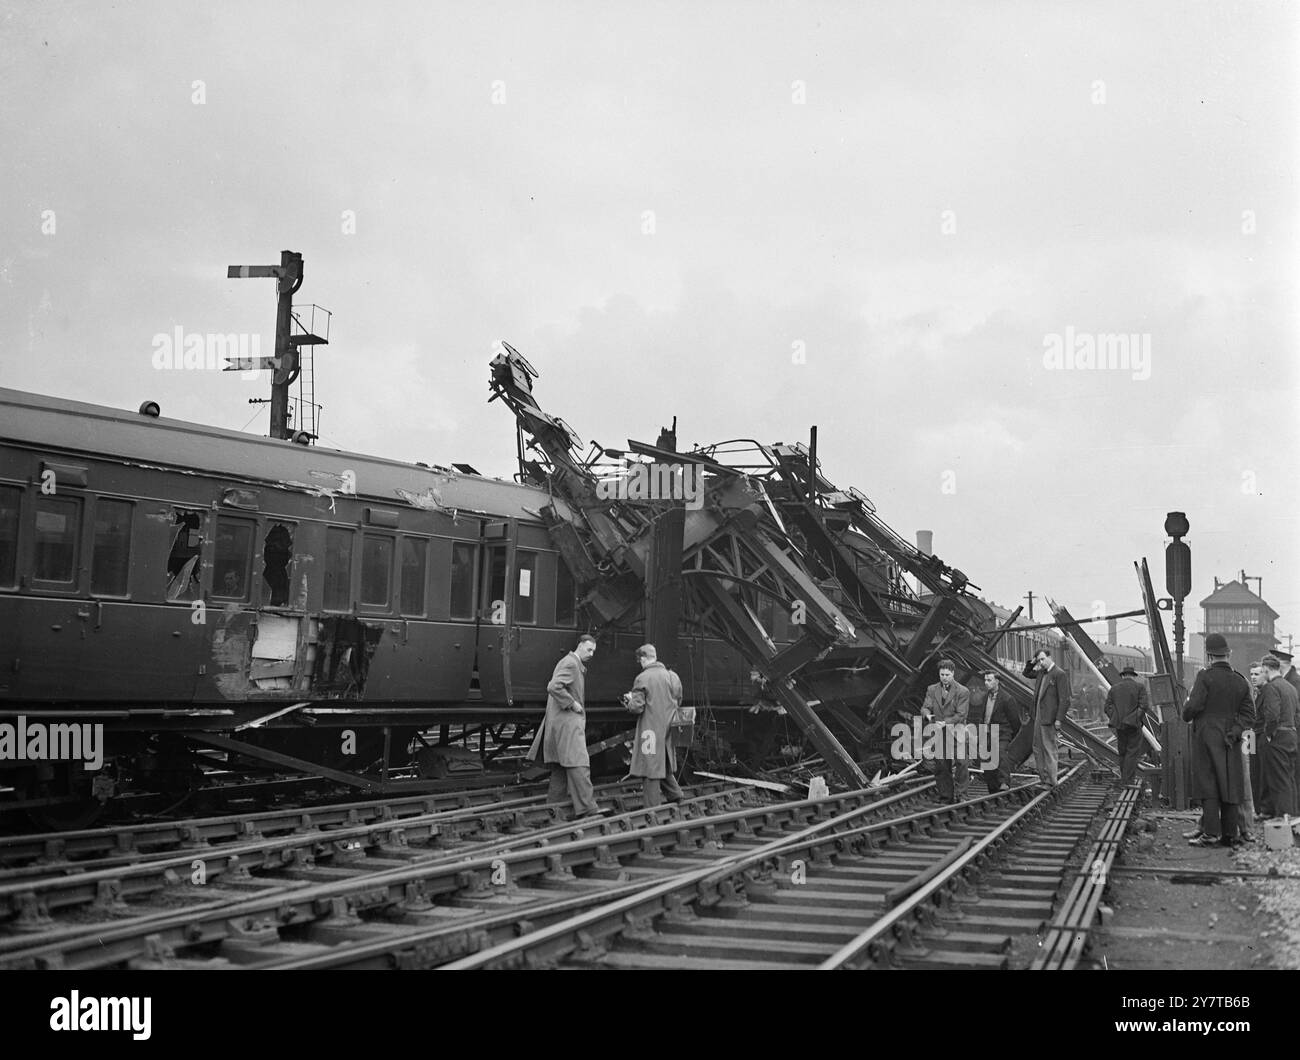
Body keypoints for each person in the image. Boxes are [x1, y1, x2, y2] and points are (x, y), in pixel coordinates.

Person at [1181, 633, 1254, 847]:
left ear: (1209, 655)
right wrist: (1235, 731)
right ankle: (1229, 835)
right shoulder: (1240, 680)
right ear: (1228, 654)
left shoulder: (1205, 677)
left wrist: (1187, 713)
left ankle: (1211, 834)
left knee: (1208, 784)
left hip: (1207, 736)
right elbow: (1249, 713)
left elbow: (1193, 707)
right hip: (1232, 738)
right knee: (1230, 784)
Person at [527, 634, 601, 819]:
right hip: (568, 724)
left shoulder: (571, 663)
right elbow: (553, 686)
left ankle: (552, 811)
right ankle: (588, 809)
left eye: (593, 651)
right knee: (579, 764)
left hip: (561, 724)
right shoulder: (571, 663)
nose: (591, 654)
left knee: (560, 770)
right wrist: (572, 703)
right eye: (589, 649)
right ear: (580, 646)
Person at [622, 644, 685, 807]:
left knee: (649, 769)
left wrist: (629, 701)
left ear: (642, 659)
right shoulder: (672, 676)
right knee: (663, 763)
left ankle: (652, 809)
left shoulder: (643, 678)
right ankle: (676, 795)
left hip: (650, 731)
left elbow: (637, 707)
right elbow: (678, 700)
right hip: (669, 729)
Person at [921, 659, 970, 803]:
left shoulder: (962, 691)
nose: (944, 677)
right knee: (942, 765)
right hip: (940, 733)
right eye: (942, 674)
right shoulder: (932, 689)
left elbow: (961, 714)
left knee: (961, 763)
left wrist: (945, 722)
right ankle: (946, 796)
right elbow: (925, 706)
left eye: (947, 674)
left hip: (957, 731)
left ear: (953, 674)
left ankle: (962, 795)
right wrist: (927, 714)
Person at [968, 670, 1019, 792]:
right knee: (986, 760)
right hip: (987, 732)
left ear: (997, 681)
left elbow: (1015, 721)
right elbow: (983, 716)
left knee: (1000, 753)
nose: (986, 683)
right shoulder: (985, 697)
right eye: (985, 680)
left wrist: (1011, 736)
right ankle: (993, 789)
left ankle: (1004, 782)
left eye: (989, 680)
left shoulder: (1007, 699)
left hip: (1002, 732)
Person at [1260, 655, 1298, 817]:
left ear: (1267, 669)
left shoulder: (1271, 687)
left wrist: (1269, 734)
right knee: (1289, 778)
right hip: (1291, 734)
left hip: (1278, 736)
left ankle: (1283, 817)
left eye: (1262, 671)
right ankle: (1293, 815)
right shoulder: (1290, 687)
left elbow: (1272, 716)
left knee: (1279, 779)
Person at [1029, 648, 1071, 787]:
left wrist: (1059, 719)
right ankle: (1044, 779)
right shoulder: (1041, 672)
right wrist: (1033, 661)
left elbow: (1064, 699)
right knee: (1037, 748)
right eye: (1039, 660)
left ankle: (1052, 780)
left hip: (1050, 718)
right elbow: (1027, 673)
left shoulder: (1059, 674)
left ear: (1050, 657)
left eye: (1043, 659)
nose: (1041, 662)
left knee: (1049, 749)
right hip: (1038, 717)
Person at [1104, 665, 1149, 787]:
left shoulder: (1114, 689)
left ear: (1123, 676)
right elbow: (1144, 705)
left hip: (1119, 726)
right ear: (1133, 676)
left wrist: (1116, 718)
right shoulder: (1140, 687)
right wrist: (1134, 718)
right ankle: (1128, 781)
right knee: (1132, 753)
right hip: (1134, 726)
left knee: (1122, 752)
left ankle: (1124, 779)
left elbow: (1107, 707)